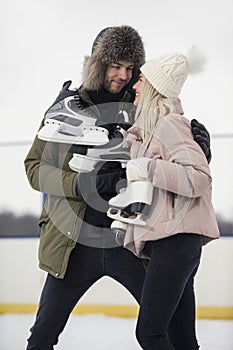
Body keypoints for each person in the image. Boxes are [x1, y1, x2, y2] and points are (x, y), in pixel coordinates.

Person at [24, 25, 212, 349]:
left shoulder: (145, 106)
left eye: (129, 68)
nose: (123, 75)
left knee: (162, 331)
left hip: (127, 240)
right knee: (41, 336)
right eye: (115, 66)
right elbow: (34, 168)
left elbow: (180, 160)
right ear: (98, 65)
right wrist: (79, 185)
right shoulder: (64, 111)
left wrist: (201, 151)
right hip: (71, 245)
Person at [108, 50, 220, 349]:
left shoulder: (169, 124)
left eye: (141, 79)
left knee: (151, 334)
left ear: (155, 86)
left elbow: (199, 177)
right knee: (182, 339)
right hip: (172, 243)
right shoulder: (151, 129)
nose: (134, 85)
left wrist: (149, 167)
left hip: (176, 241)